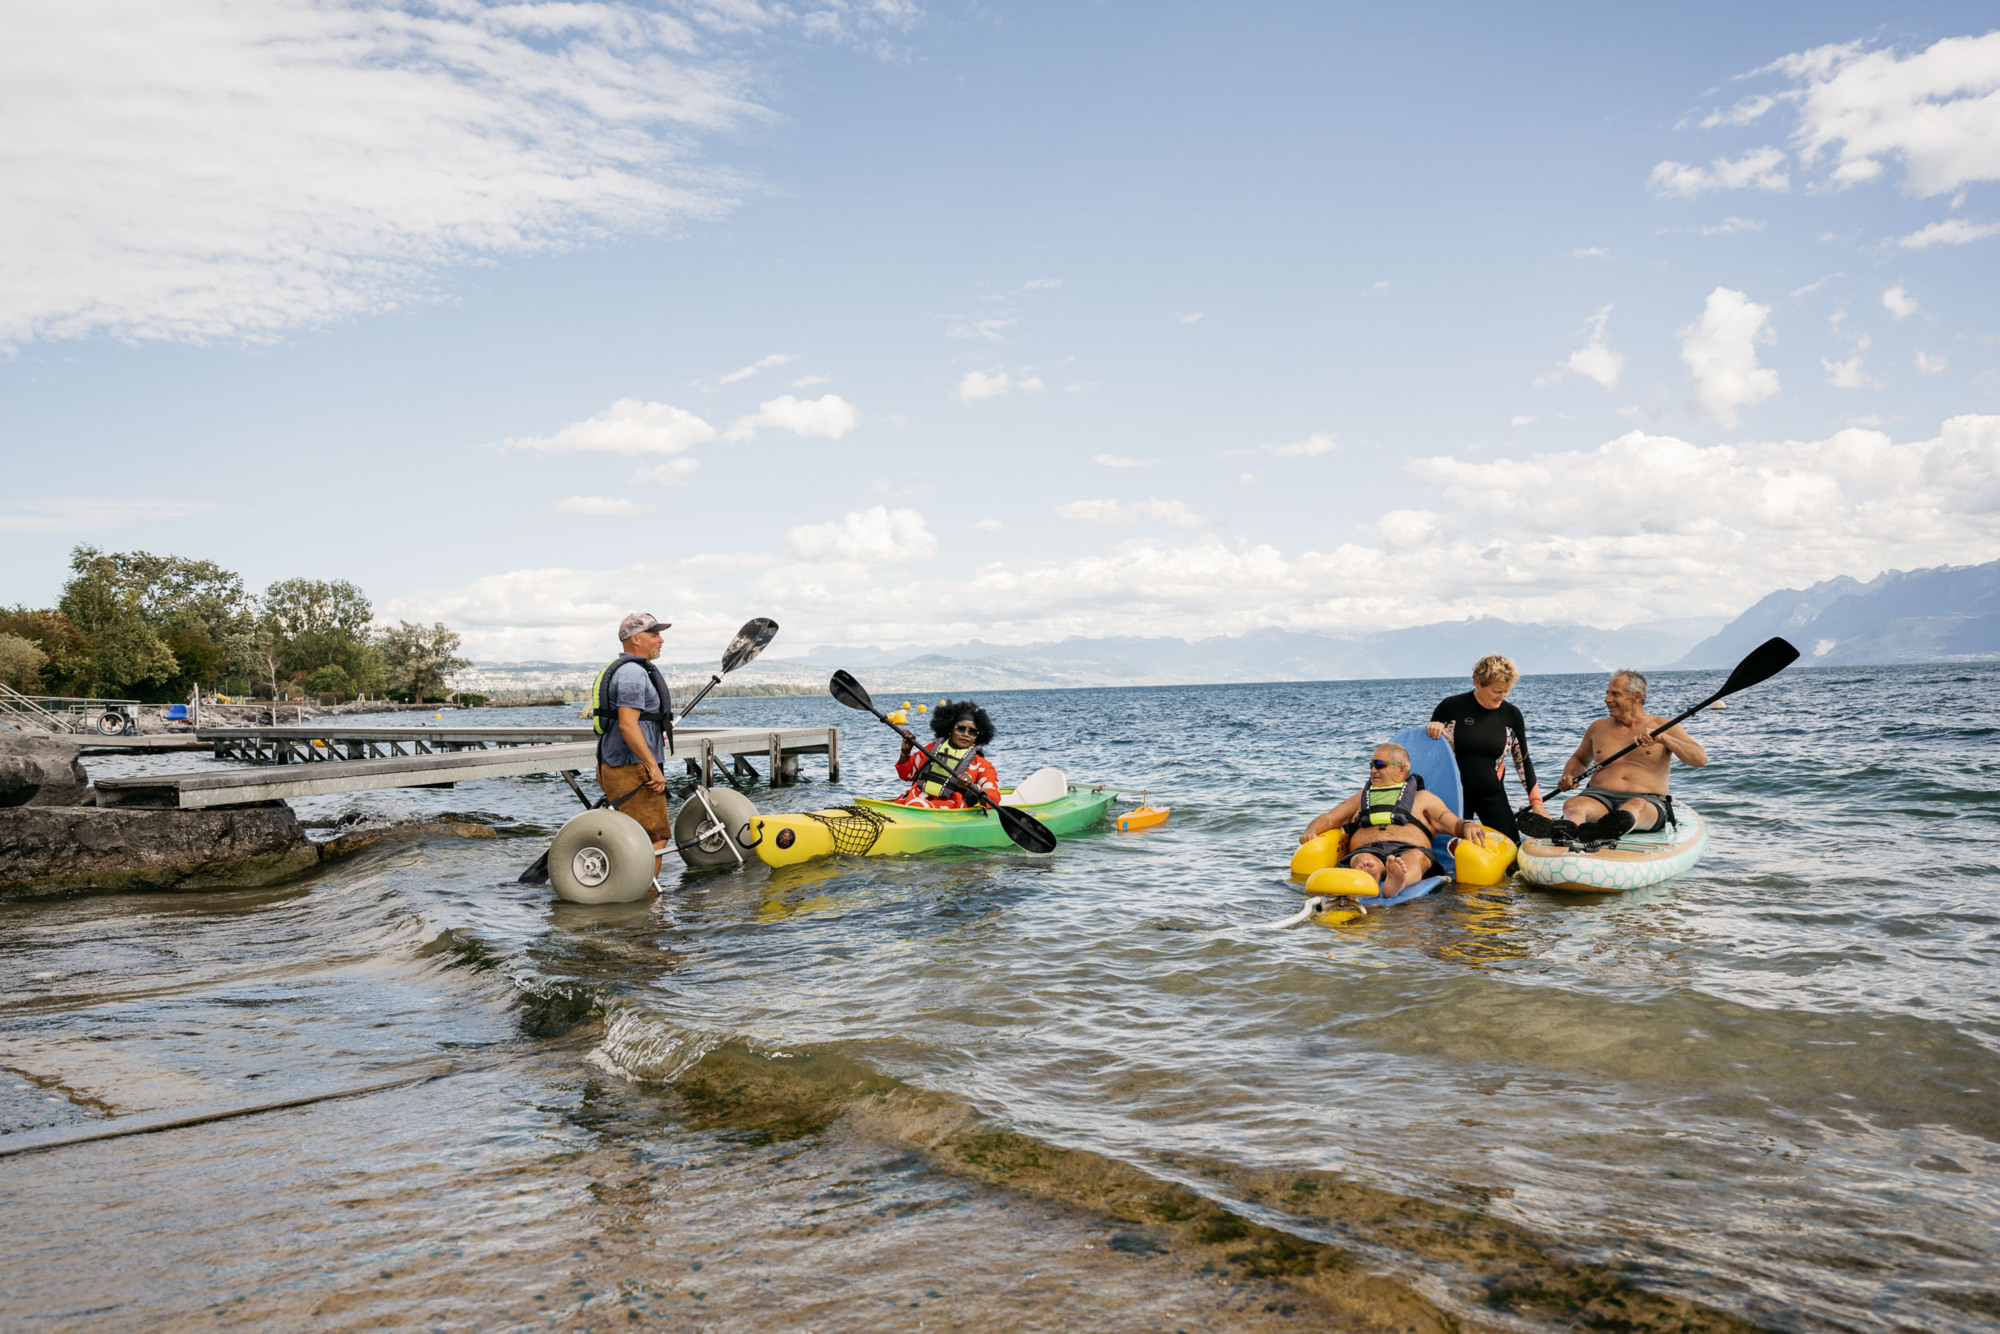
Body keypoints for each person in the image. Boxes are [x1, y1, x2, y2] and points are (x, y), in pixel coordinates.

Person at [1530, 669, 1707, 842]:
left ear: (1636, 696)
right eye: (1607, 693)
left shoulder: (1663, 726)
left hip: (1647, 802)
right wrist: (1569, 775)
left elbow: (1699, 759)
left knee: (1635, 807)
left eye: (1615, 694)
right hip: (1598, 797)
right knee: (1574, 805)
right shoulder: (1598, 727)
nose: (1607, 699)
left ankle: (1599, 831)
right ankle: (1566, 832)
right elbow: (1579, 759)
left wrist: (1663, 738)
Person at [1299, 742, 1490, 895]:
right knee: (1364, 860)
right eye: (1371, 765)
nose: (1373, 770)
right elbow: (1330, 818)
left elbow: (1452, 824)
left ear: (1401, 770)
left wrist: (1467, 826)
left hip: (1411, 849)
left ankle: (1399, 881)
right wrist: (1311, 830)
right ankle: (1371, 874)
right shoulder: (1360, 798)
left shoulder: (1423, 799)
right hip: (1367, 849)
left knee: (1413, 859)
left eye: (1380, 765)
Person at [1425, 653, 1547, 845]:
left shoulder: (1511, 715)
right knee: (1449, 852)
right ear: (1478, 682)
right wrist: (1433, 731)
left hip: (1490, 793)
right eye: (1497, 691)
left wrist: (1537, 804)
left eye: (1506, 691)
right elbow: (1430, 756)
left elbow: (1522, 761)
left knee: (1512, 847)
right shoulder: (1450, 707)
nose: (1502, 696)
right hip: (1454, 794)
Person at [591, 612, 676, 879]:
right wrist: (653, 767)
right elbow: (627, 725)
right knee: (655, 836)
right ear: (636, 639)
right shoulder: (632, 674)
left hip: (621, 765)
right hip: (632, 768)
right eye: (655, 634)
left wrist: (652, 734)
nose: (661, 640)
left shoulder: (629, 670)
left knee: (637, 835)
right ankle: (649, 897)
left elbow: (634, 723)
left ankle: (630, 892)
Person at [894, 700, 1000, 809]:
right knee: (915, 803)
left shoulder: (982, 764)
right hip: (914, 799)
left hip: (949, 807)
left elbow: (994, 797)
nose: (966, 734)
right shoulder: (931, 749)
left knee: (917, 804)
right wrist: (905, 753)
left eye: (972, 732)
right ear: (950, 730)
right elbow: (905, 774)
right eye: (961, 729)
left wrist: (972, 788)